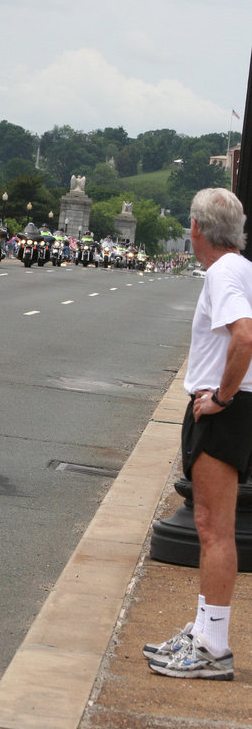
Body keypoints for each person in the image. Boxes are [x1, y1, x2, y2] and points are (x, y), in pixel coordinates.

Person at [144, 187, 252, 681]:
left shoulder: (225, 272)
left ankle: (213, 645)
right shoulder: (240, 269)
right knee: (212, 527)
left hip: (223, 411)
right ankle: (206, 632)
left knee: (212, 529)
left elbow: (244, 336)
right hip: (230, 408)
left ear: (195, 229)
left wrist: (222, 398)